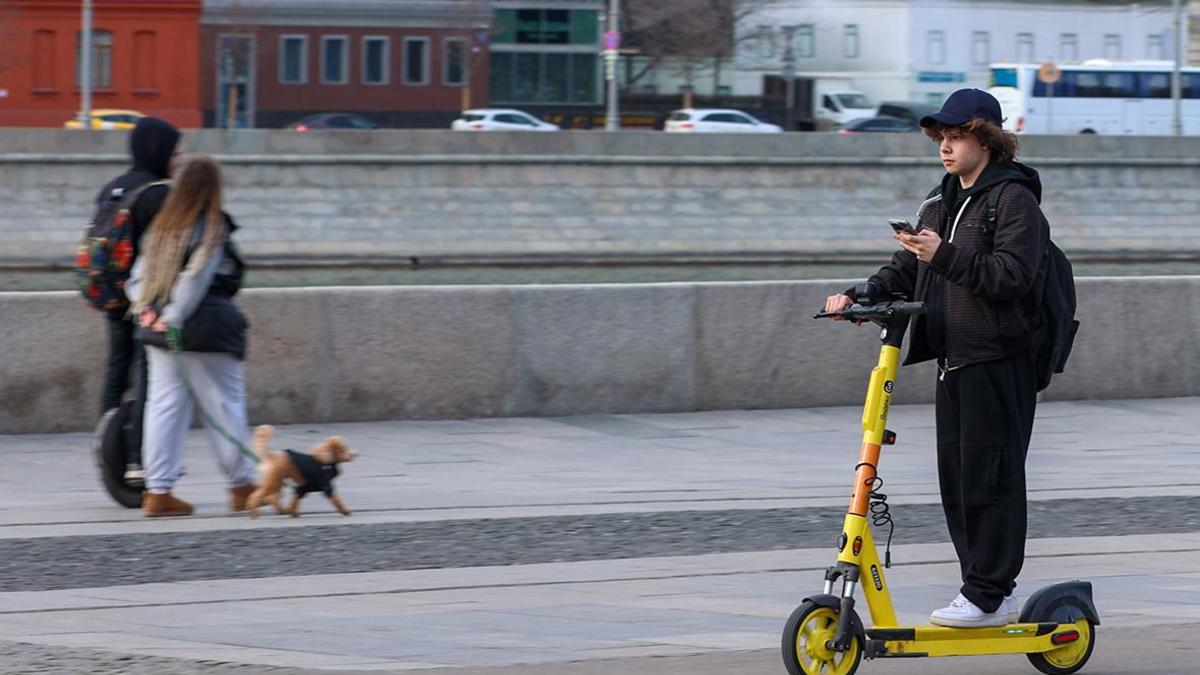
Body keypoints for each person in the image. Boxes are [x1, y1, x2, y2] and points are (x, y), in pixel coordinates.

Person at [824, 88, 1049, 628]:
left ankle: (991, 594)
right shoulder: (940, 200)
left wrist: (943, 254)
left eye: (956, 137)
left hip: (1000, 360)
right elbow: (909, 270)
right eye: (940, 139)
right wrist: (861, 296)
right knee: (958, 479)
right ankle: (983, 591)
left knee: (990, 478)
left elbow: (1013, 278)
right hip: (954, 359)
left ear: (987, 141)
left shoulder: (1013, 201)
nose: (945, 148)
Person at [125, 154, 257, 517]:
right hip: (203, 329)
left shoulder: (162, 227)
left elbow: (136, 276)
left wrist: (145, 309)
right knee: (225, 404)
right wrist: (173, 317)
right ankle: (243, 485)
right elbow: (195, 279)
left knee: (163, 407)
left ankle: (158, 491)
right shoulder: (211, 227)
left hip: (156, 331)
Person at [97, 117, 181, 471]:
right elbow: (168, 251)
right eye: (175, 151)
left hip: (113, 296)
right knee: (148, 373)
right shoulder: (159, 192)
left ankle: (107, 451)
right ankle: (138, 458)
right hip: (146, 300)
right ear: (158, 150)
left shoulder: (112, 188)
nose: (177, 158)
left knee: (116, 369)